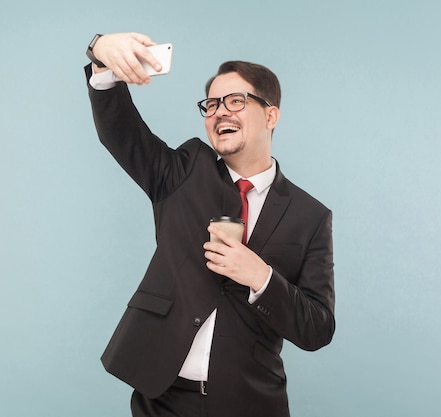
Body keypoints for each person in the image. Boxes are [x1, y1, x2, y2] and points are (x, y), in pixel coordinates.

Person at [84, 32, 335, 417]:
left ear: (270, 115)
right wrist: (102, 56)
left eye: (235, 101)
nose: (219, 112)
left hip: (249, 401)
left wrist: (262, 277)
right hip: (161, 397)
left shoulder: (311, 216)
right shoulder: (183, 171)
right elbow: (121, 133)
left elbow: (317, 328)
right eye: (212, 104)